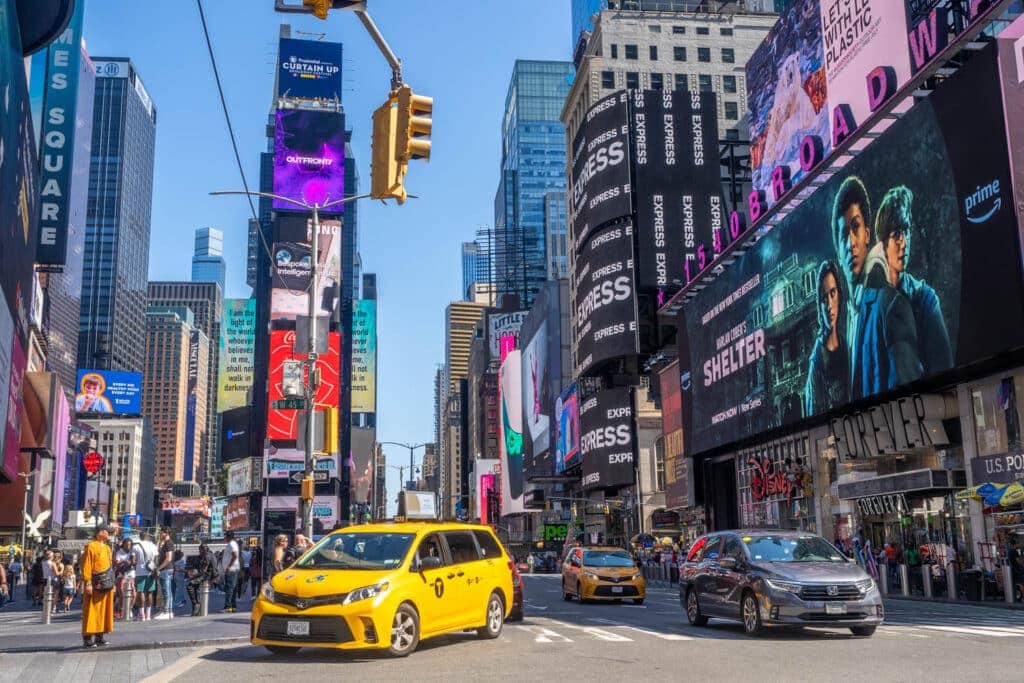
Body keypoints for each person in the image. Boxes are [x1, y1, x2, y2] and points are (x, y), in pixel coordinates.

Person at [831, 176, 921, 399]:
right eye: (843, 235)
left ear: (867, 235)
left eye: (856, 228)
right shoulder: (843, 323)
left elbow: (911, 392)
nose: (851, 242)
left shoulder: (890, 305)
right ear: (837, 252)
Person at [873, 186, 952, 376]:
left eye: (906, 231)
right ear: (882, 243)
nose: (904, 242)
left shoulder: (925, 299)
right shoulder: (871, 305)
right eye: (895, 234)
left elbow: (945, 371)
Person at [805, 260, 851, 415]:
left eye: (833, 293)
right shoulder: (817, 361)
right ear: (819, 304)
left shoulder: (847, 344)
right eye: (824, 298)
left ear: (839, 294)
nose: (830, 305)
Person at [81, 525, 115, 648]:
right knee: (91, 610)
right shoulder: (91, 546)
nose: (109, 534)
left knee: (105, 609)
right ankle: (88, 637)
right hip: (95, 582)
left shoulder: (107, 548)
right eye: (107, 532)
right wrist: (88, 582)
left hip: (106, 582)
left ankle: (100, 635)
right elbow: (86, 565)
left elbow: (110, 567)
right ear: (100, 532)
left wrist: (112, 583)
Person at [186, 544, 219, 616]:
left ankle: (196, 604)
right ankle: (196, 606)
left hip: (207, 576)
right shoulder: (211, 555)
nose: (199, 552)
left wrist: (193, 576)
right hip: (211, 575)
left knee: (190, 585)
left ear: (203, 550)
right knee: (195, 586)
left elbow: (203, 571)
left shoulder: (207, 556)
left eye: (200, 550)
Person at [133, 532, 159, 621]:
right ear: (147, 537)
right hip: (150, 572)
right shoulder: (153, 546)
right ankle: (148, 615)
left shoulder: (136, 547)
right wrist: (154, 568)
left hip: (140, 571)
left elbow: (133, 561)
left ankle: (142, 615)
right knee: (150, 592)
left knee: (141, 592)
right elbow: (156, 559)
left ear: (140, 537)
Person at [154, 528, 175, 620]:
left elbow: (168, 558)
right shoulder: (166, 543)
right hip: (167, 569)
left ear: (166, 533)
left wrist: (159, 568)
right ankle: (167, 611)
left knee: (166, 591)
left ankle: (167, 611)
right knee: (167, 591)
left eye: (161, 533)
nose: (160, 534)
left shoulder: (168, 543)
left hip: (166, 569)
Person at [114, 538, 135, 620]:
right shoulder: (119, 552)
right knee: (122, 593)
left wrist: (133, 561)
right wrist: (124, 561)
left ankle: (129, 608)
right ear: (123, 544)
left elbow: (135, 561)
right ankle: (121, 610)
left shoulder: (132, 552)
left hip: (131, 574)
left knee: (133, 594)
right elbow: (116, 563)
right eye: (127, 544)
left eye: (130, 544)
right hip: (122, 575)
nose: (128, 546)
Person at [220, 531, 240, 613]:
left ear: (228, 537)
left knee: (229, 588)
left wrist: (229, 566)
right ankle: (233, 606)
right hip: (232, 569)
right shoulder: (232, 544)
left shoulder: (232, 544)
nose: (225, 538)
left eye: (225, 536)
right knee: (233, 588)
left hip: (231, 570)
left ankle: (227, 607)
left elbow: (234, 555)